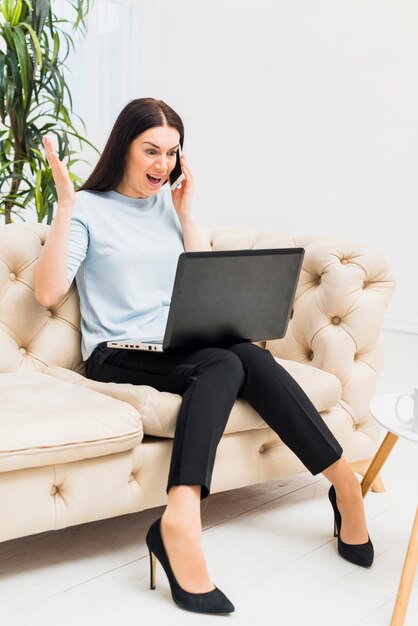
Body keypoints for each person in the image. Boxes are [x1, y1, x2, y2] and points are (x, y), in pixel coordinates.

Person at [34, 97, 374, 616]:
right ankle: (181, 520)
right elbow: (48, 292)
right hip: (116, 351)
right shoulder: (88, 209)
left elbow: (204, 288)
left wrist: (187, 214)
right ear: (123, 148)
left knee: (244, 354)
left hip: (180, 341)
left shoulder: (170, 208)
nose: (162, 165)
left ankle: (345, 486)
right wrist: (64, 207)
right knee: (226, 362)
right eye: (151, 150)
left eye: (172, 153)